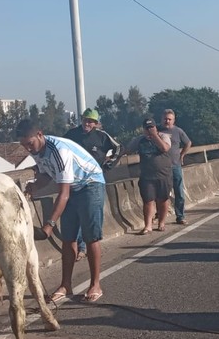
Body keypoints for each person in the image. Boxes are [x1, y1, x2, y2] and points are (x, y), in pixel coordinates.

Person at [16, 119, 105, 303]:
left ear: (40, 134)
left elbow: (63, 193)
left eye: (30, 143)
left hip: (90, 183)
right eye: (24, 145)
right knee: (68, 237)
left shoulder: (58, 150)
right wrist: (34, 186)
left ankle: (95, 283)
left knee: (91, 236)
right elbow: (47, 176)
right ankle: (66, 285)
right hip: (72, 187)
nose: (28, 149)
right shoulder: (38, 151)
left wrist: (50, 224)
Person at [64, 108, 122, 260]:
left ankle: (89, 245)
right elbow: (60, 147)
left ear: (96, 123)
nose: (87, 123)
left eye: (90, 121)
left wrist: (111, 163)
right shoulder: (72, 135)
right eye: (85, 120)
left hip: (94, 182)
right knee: (75, 215)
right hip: (74, 180)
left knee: (91, 216)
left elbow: (119, 148)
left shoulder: (101, 136)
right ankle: (78, 247)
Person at [127, 118, 173, 234]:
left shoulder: (163, 136)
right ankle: (148, 225)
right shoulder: (139, 140)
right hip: (147, 176)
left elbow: (164, 148)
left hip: (163, 175)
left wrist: (154, 136)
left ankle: (161, 222)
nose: (149, 130)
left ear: (155, 127)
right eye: (147, 129)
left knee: (163, 199)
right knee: (148, 200)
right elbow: (127, 149)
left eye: (151, 128)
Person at [158, 109, 192, 225]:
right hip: (161, 167)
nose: (167, 121)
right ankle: (160, 215)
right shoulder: (157, 131)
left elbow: (188, 143)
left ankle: (180, 216)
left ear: (173, 120)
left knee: (179, 192)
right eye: (165, 119)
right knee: (161, 193)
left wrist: (182, 155)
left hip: (175, 165)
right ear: (161, 119)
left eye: (169, 119)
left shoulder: (178, 131)